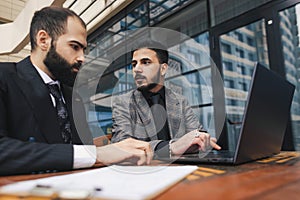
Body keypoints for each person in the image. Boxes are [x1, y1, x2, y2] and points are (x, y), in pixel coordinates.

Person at [0, 6, 152, 176]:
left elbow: (84, 154)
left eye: (83, 49)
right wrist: (98, 154)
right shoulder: (4, 78)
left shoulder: (74, 96)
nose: (82, 58)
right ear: (43, 40)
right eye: (74, 46)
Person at [111, 40, 221, 157]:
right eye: (134, 64)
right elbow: (121, 145)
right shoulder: (123, 102)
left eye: (146, 62)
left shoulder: (180, 101)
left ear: (163, 69)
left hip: (182, 167)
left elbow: (196, 132)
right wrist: (172, 147)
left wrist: (202, 140)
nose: (137, 69)